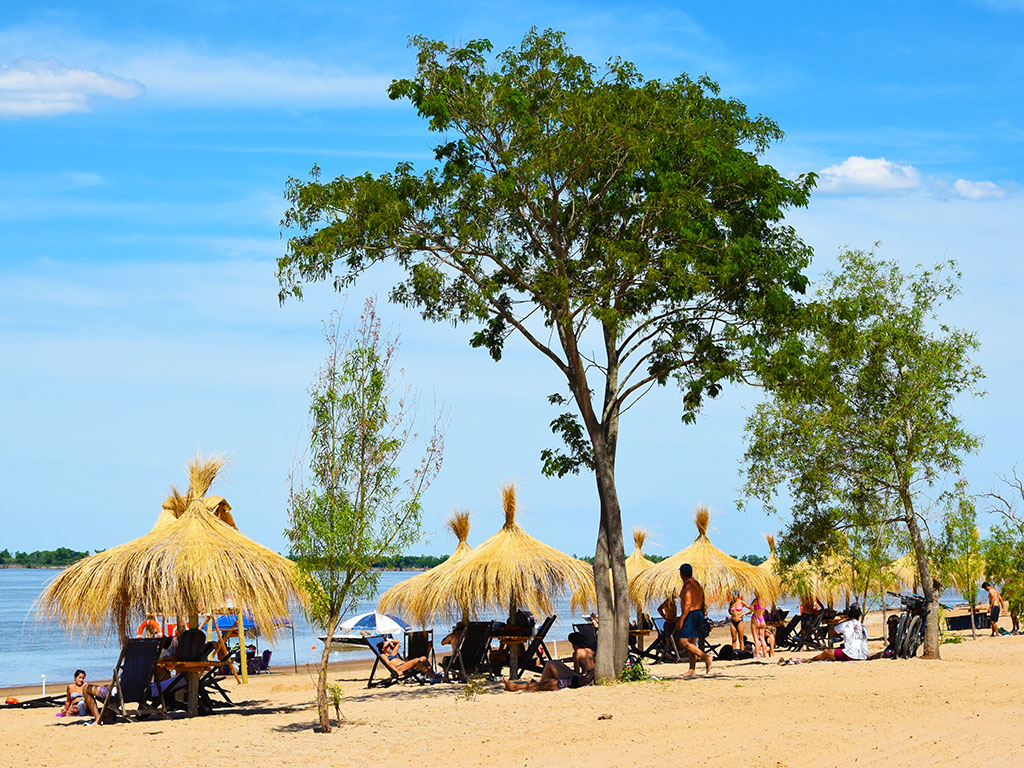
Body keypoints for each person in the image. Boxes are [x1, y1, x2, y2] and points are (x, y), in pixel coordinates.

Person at [782, 606, 881, 663]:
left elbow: (832, 631)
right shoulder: (863, 627)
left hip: (852, 655)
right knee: (837, 651)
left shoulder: (846, 624)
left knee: (827, 652)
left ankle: (809, 660)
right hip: (863, 654)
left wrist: (840, 633)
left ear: (848, 616)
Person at [502, 632, 594, 692]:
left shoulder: (577, 653)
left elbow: (577, 672)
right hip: (582, 678)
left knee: (549, 669)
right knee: (548, 677)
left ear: (574, 644)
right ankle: (516, 686)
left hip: (577, 679)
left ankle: (515, 687)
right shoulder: (589, 651)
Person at [677, 563, 712, 677]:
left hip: (691, 614)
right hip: (698, 614)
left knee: (683, 642)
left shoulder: (687, 585)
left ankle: (706, 657)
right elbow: (702, 601)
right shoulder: (697, 585)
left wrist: (681, 619)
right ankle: (692, 669)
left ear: (681, 574)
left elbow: (687, 604)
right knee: (692, 642)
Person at [749, 593, 768, 658]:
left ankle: (757, 654)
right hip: (762, 619)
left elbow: (750, 607)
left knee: (756, 639)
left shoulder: (755, 600)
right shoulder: (765, 601)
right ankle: (765, 653)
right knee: (762, 639)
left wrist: (754, 612)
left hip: (756, 618)